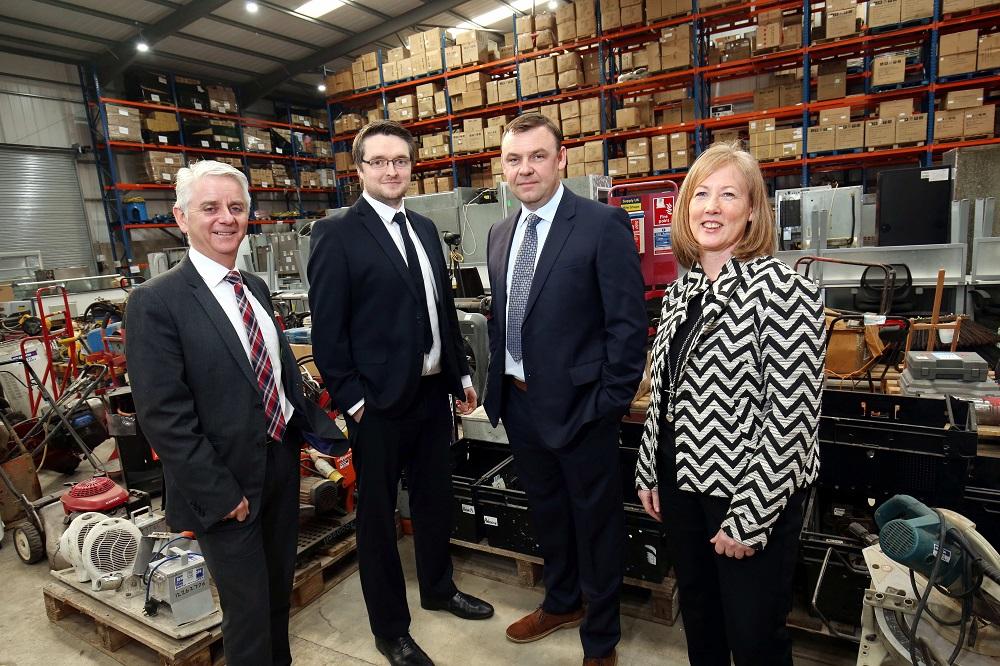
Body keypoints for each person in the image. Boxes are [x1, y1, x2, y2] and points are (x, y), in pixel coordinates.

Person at [126, 160, 345, 666]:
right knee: (246, 614)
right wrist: (222, 494)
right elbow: (163, 414)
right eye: (210, 208)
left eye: (236, 207)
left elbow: (277, 371)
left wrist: (313, 429)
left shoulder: (253, 287)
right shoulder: (156, 302)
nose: (225, 218)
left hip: (279, 466)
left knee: (275, 594)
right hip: (225, 485)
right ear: (181, 218)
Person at [307, 120, 493, 666]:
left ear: (412, 167)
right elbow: (328, 331)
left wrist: (460, 374)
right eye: (380, 161)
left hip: (434, 396)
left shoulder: (426, 229)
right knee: (378, 518)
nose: (392, 170)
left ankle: (439, 589)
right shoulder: (338, 235)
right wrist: (355, 401)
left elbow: (442, 314)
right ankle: (390, 629)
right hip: (379, 405)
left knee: (436, 501)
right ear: (359, 170)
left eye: (401, 161)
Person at [634, 141, 826, 666]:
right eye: (701, 194)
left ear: (752, 210)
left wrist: (749, 518)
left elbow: (791, 418)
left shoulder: (786, 291)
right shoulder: (683, 290)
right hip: (681, 484)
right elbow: (664, 392)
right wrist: (650, 467)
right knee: (701, 619)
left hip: (746, 492)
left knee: (754, 635)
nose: (711, 207)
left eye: (728, 195)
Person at [484, 114, 647, 666]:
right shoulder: (501, 232)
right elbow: (507, 316)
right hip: (520, 402)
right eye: (513, 159)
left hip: (583, 410)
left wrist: (607, 404)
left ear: (561, 160)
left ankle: (601, 639)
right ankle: (561, 601)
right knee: (547, 514)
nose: (524, 168)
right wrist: (497, 389)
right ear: (502, 167)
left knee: (595, 524)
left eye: (536, 156)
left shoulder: (602, 224)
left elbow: (628, 326)